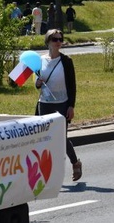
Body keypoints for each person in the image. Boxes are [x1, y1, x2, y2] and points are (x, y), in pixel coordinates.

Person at [35, 29, 82, 181]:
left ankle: (75, 163)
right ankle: (48, 172)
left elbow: (72, 85)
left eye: (60, 39)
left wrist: (71, 106)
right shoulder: (40, 60)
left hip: (62, 104)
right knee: (44, 138)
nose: (58, 42)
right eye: (54, 39)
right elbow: (36, 83)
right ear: (48, 41)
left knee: (61, 137)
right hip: (45, 103)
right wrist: (37, 82)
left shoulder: (66, 61)